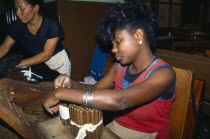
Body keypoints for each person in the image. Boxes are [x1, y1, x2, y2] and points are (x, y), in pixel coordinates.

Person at [43, 0, 176, 138]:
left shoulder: (164, 74)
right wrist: (71, 84)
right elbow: (94, 89)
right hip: (116, 128)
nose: (113, 49)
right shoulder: (119, 68)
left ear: (138, 35)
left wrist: (59, 93)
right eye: (112, 44)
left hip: (148, 135)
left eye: (118, 42)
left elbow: (120, 101)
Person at [0, 0, 71, 81]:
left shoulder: (51, 25)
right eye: (16, 9)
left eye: (22, 9)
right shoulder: (17, 26)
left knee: (60, 88)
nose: (17, 13)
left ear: (35, 8)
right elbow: (5, 47)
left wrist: (18, 64)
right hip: (37, 63)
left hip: (57, 62)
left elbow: (46, 55)